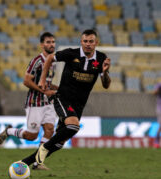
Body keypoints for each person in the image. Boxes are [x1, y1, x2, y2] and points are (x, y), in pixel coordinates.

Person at [21, 29, 111, 167]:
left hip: (80, 104)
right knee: (73, 126)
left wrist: (105, 73)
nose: (88, 44)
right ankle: (44, 148)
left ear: (96, 43)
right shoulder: (71, 53)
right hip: (63, 97)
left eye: (91, 41)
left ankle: (26, 162)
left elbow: (106, 85)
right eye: (85, 41)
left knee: (60, 141)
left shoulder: (101, 59)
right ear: (81, 42)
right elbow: (50, 58)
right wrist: (43, 80)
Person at [0, 32, 58, 170]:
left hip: (48, 102)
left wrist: (58, 89)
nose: (51, 44)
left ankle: (38, 162)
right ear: (42, 45)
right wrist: (44, 91)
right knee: (32, 136)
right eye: (48, 42)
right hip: (35, 103)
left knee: (49, 130)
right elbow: (26, 81)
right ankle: (9, 131)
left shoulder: (53, 62)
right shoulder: (37, 61)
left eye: (53, 42)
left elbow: (47, 83)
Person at [153, 82, 161, 148]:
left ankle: (157, 141)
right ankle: (156, 141)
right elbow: (154, 93)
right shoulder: (159, 85)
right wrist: (159, 90)